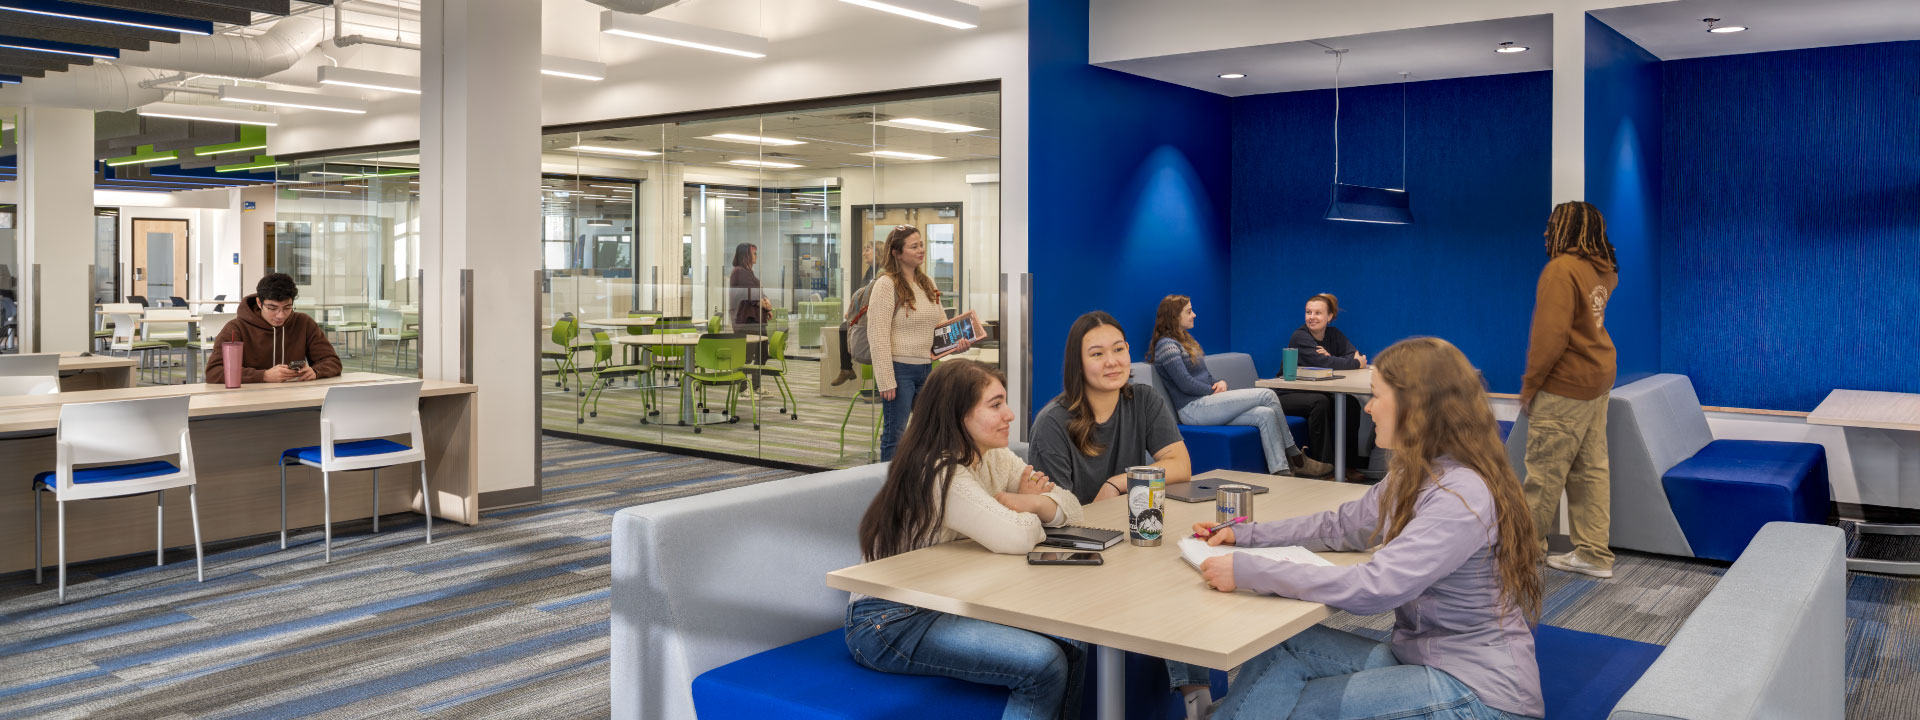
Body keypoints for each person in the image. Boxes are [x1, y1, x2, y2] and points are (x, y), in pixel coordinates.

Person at [1192, 337, 1544, 720]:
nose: (1370, 408)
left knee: (1284, 708)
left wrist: (1249, 570)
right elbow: (1342, 526)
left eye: (1376, 396)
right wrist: (1245, 534)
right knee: (1283, 650)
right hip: (1425, 659)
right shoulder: (1419, 472)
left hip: (1479, 693)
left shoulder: (1461, 494)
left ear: (1416, 406)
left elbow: (1376, 588)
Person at [848, 359, 1087, 720]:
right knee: (1044, 664)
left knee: (1074, 636)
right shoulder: (939, 471)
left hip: (949, 602)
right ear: (958, 415)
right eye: (995, 405)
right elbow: (1017, 536)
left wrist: (1029, 501)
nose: (1010, 414)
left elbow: (1073, 507)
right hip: (889, 621)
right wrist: (1023, 513)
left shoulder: (993, 456)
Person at [1520, 201, 1620, 580]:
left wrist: (1530, 385)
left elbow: (1550, 337)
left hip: (1566, 384)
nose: (1547, 232)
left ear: (1568, 228)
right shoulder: (1602, 269)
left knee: (1543, 474)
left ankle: (1524, 556)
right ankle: (1593, 554)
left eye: (1552, 224)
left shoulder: (1561, 270)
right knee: (1590, 468)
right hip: (1597, 378)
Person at [1150, 295, 1330, 478]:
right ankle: (1296, 455)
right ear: (1174, 316)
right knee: (1267, 395)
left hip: (1207, 402)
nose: (1194, 314)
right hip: (1193, 409)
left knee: (1265, 414)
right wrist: (1212, 390)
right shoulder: (1167, 346)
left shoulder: (1186, 341)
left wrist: (1217, 383)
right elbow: (1185, 383)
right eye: (1189, 311)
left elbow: (1205, 375)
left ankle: (1282, 472)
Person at [870, 225, 966, 460]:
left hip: (926, 369)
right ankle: (890, 490)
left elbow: (941, 326)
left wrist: (959, 341)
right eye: (914, 246)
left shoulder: (927, 283)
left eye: (921, 244)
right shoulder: (886, 285)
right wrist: (885, 379)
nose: (921, 250)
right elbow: (877, 334)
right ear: (896, 252)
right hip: (898, 370)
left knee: (933, 430)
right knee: (896, 435)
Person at [1281, 293, 1368, 478]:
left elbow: (1354, 354)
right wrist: (1335, 361)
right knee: (1320, 402)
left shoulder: (1334, 334)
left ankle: (1347, 465)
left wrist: (1331, 358)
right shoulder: (1300, 337)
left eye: (1318, 313)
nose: (1311, 317)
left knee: (1350, 403)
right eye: (1308, 312)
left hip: (1316, 392)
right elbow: (1327, 363)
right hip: (1287, 393)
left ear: (1329, 317)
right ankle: (1325, 467)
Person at [204, 273, 340, 385]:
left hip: (294, 398)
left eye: (287, 307)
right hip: (248, 401)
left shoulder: (304, 323)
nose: (280, 315)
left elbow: (332, 361)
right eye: (272, 308)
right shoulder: (236, 328)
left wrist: (316, 371)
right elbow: (214, 372)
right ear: (259, 303)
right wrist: (263, 375)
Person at [831, 240, 881, 387]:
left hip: (877, 316)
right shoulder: (870, 271)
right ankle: (846, 369)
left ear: (877, 252)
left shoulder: (881, 271)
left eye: (868, 249)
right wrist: (852, 312)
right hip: (866, 314)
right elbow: (862, 294)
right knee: (844, 327)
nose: (864, 253)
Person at [727, 242, 773, 394]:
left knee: (762, 353)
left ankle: (756, 385)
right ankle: (742, 388)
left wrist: (766, 303)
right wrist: (764, 305)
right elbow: (749, 294)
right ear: (746, 255)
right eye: (754, 253)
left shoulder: (748, 272)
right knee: (746, 355)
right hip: (746, 320)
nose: (756, 256)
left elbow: (758, 291)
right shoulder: (739, 272)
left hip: (756, 319)